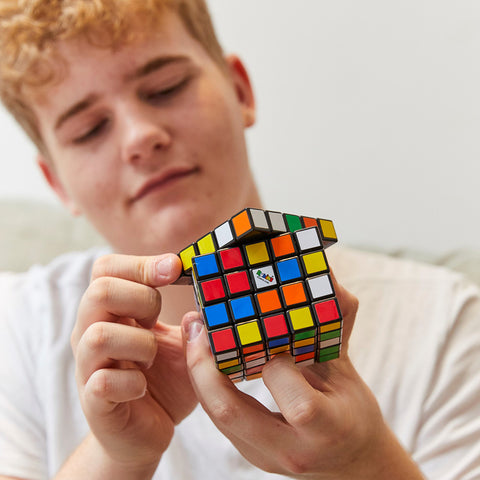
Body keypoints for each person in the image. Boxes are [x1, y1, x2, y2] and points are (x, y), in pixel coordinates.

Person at [0, 1, 479, 479]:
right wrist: (117, 458)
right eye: (89, 130)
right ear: (57, 184)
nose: (141, 136)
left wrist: (364, 461)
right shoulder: (18, 327)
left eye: (166, 89)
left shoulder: (446, 322)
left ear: (240, 91)